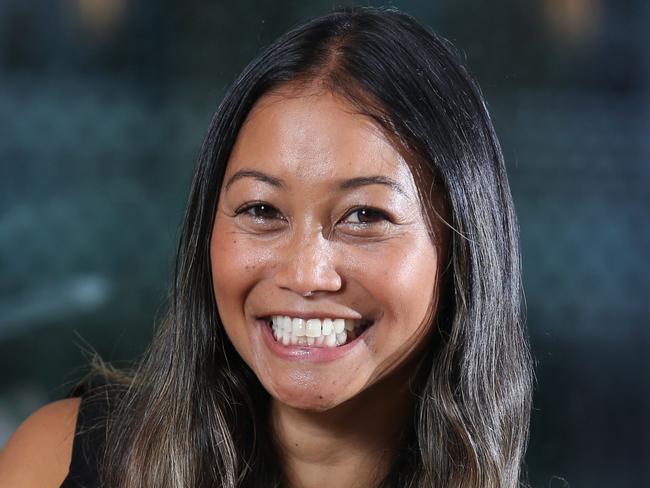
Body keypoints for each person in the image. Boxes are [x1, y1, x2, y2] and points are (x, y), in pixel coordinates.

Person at [0, 6, 534, 488]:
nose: (304, 274)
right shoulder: (54, 463)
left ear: (463, 252)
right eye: (261, 211)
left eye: (365, 216)